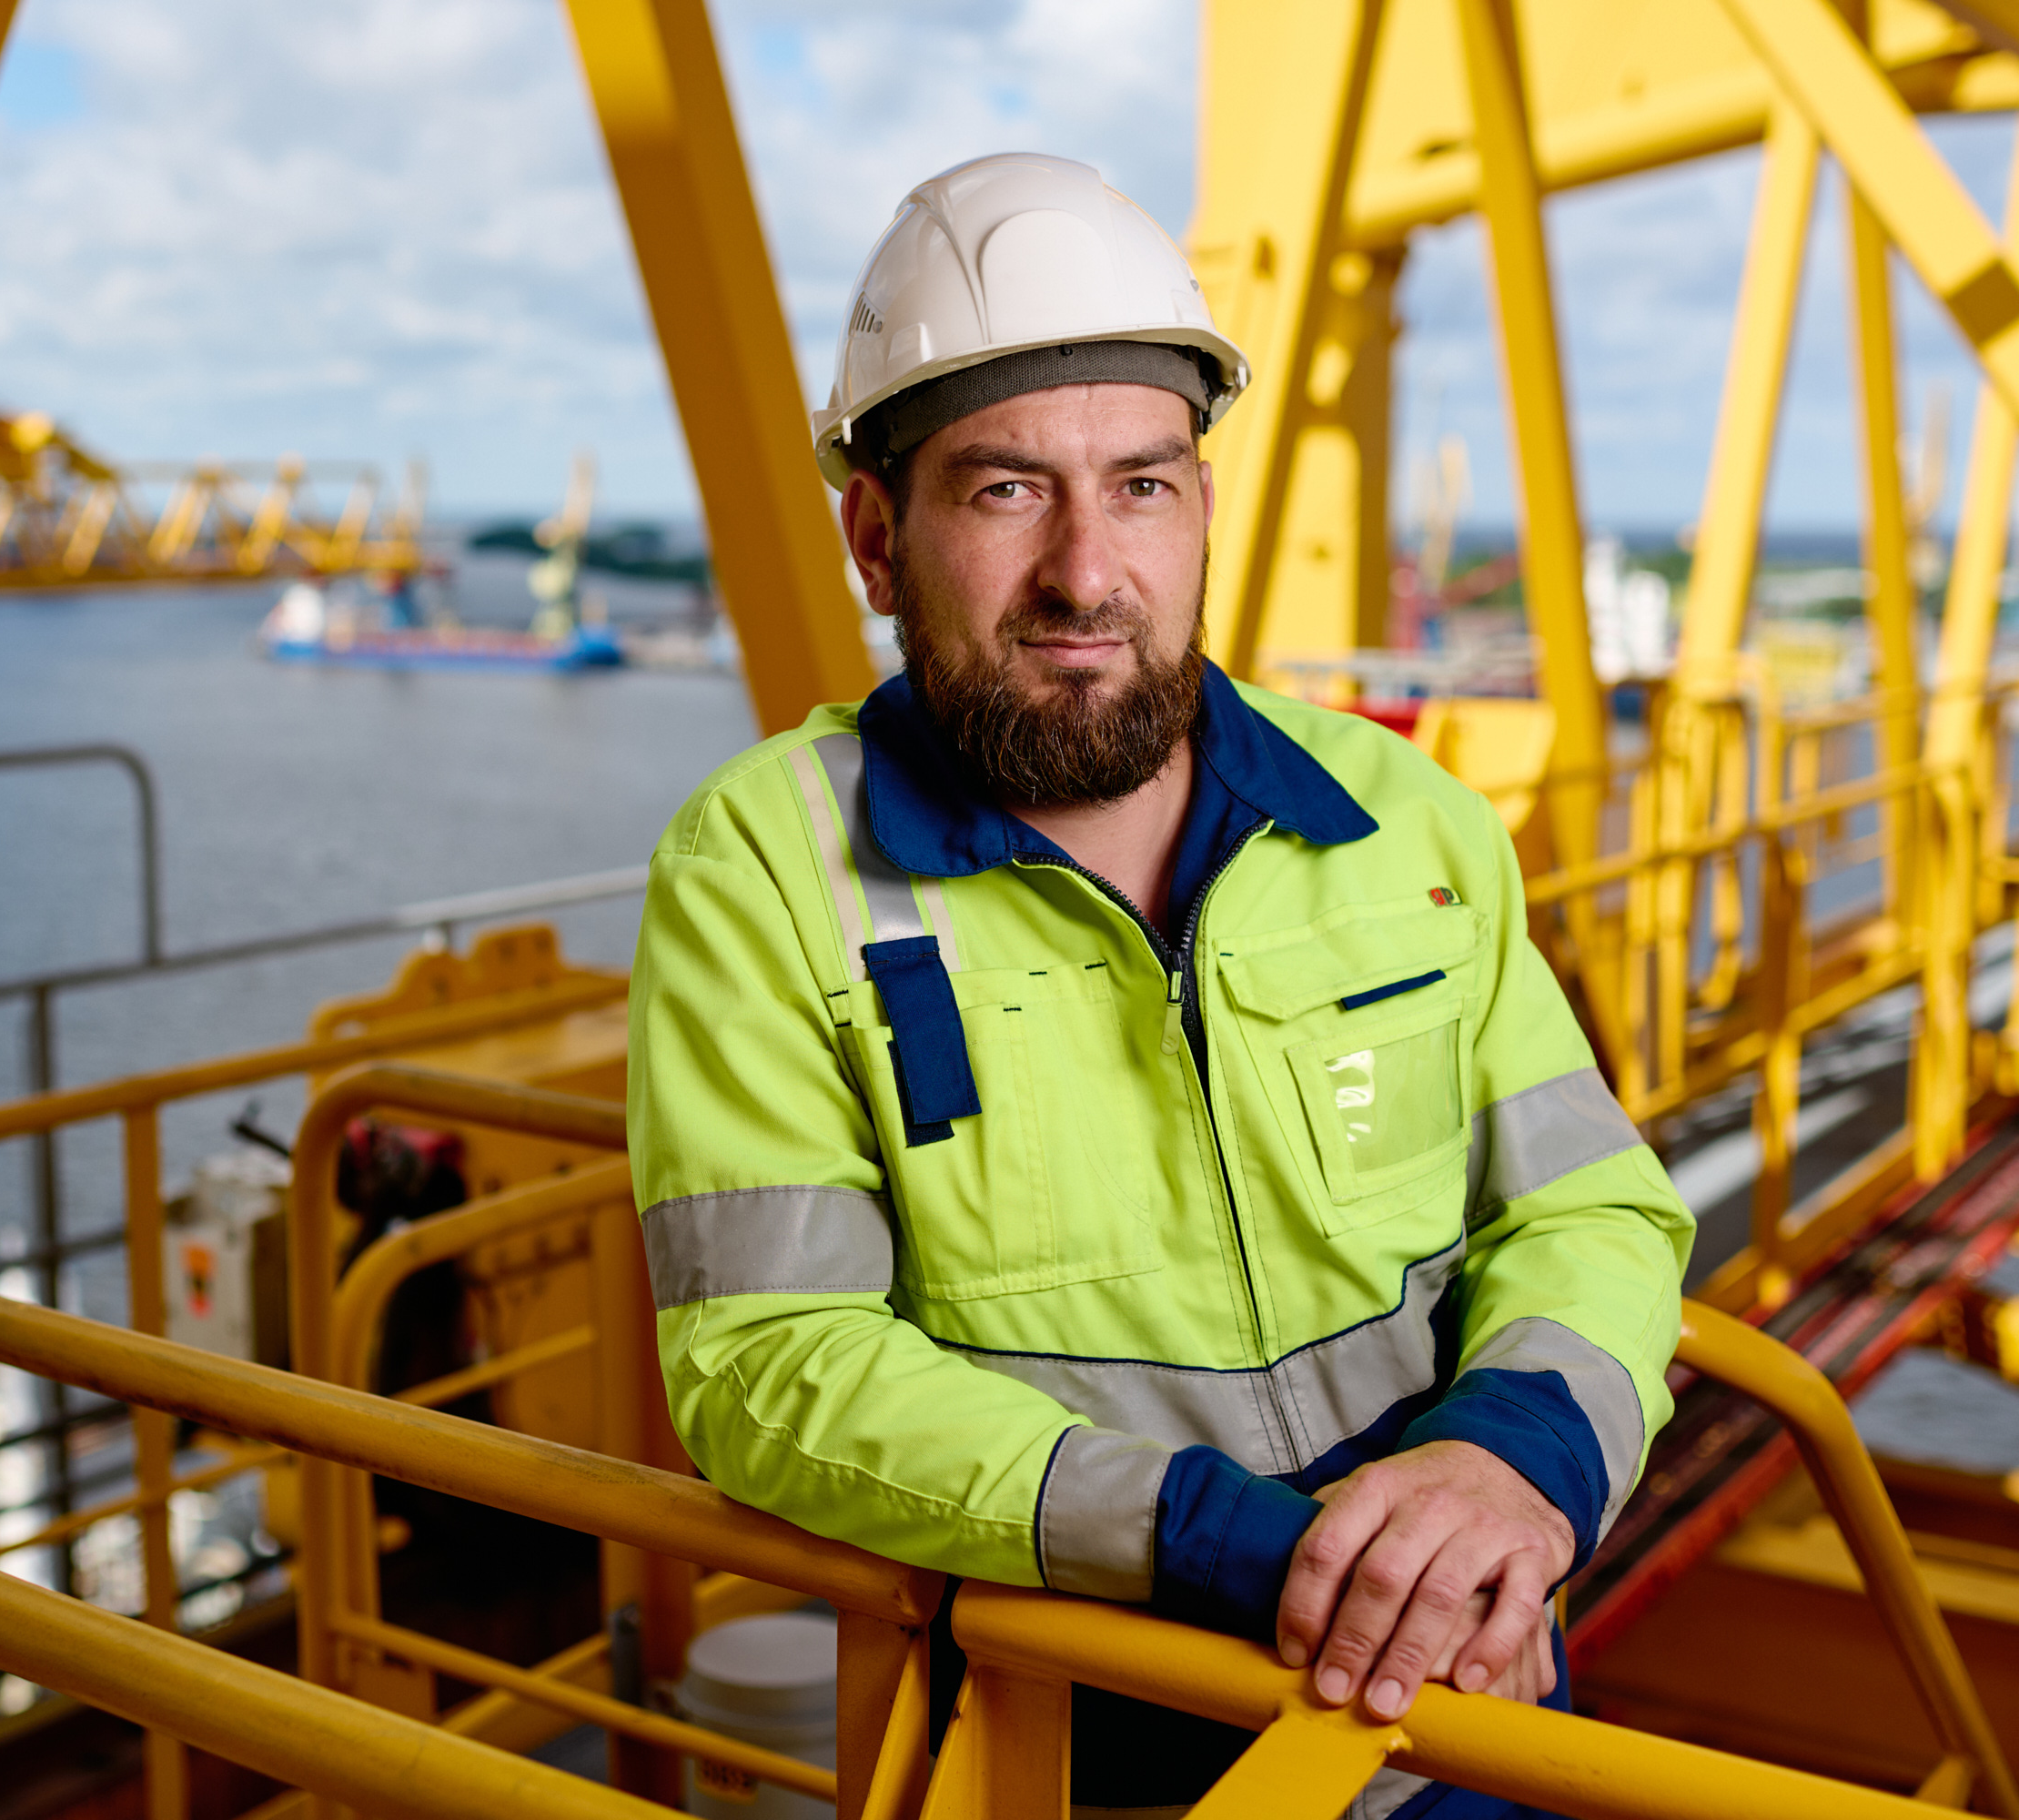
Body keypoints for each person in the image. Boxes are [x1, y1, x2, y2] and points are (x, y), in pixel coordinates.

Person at [627, 153, 1692, 1818]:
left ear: (1201, 504)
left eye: (1141, 485)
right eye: (1001, 490)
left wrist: (1516, 1458)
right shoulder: (763, 871)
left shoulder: (1404, 821)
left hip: (1473, 1695)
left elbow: (1596, 1211)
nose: (1084, 574)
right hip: (1080, 1733)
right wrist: (1202, 1535)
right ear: (873, 537)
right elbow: (769, 1359)